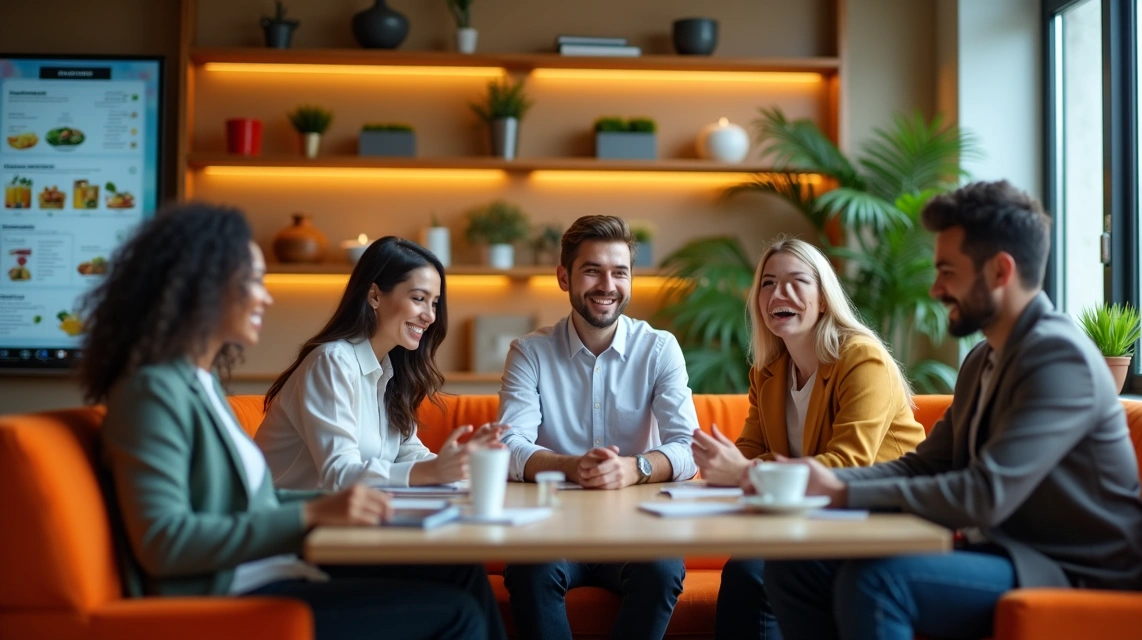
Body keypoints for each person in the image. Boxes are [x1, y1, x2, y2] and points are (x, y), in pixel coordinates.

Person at [81, 204, 505, 640]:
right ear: (198, 286)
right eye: (252, 281)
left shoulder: (200, 384)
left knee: (460, 572)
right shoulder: (152, 392)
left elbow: (257, 501)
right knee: (457, 613)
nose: (265, 297)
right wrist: (316, 512)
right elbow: (164, 543)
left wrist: (336, 505)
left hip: (271, 566)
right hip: (230, 590)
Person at [763, 181, 1142, 640]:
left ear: (1000, 271)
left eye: (948, 272)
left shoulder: (1059, 359)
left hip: (1070, 568)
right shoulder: (982, 358)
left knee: (878, 583)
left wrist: (843, 492)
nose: (936, 288)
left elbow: (985, 492)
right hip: (1000, 549)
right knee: (795, 567)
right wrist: (824, 481)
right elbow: (926, 464)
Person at [692, 236, 925, 640]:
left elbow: (849, 465)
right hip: (812, 521)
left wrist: (745, 471)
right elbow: (749, 450)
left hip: (881, 517)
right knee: (747, 570)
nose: (778, 293)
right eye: (768, 283)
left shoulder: (861, 358)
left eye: (796, 281)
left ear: (823, 300)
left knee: (751, 573)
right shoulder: (767, 373)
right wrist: (722, 462)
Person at [496, 215, 696, 640]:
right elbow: (509, 445)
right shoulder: (529, 352)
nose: (608, 285)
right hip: (552, 530)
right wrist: (571, 467)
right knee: (529, 569)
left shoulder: (660, 349)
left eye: (619, 272)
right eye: (592, 271)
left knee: (662, 568)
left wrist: (635, 468)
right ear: (564, 277)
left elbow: (688, 447)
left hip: (636, 531)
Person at [256, 236, 504, 491]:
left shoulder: (390, 371)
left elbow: (409, 455)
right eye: (419, 298)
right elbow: (339, 475)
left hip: (347, 512)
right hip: (284, 514)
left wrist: (464, 464)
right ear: (374, 295)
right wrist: (433, 471)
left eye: (434, 303)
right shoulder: (331, 362)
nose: (430, 316)